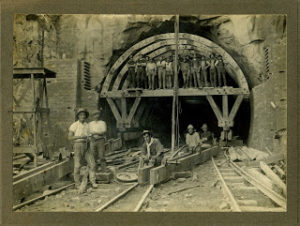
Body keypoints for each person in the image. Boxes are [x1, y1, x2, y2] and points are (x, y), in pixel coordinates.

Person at [68, 108, 98, 190]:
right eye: (81, 115)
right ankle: (77, 184)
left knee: (92, 164)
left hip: (86, 145)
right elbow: (70, 137)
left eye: (84, 115)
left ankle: (93, 181)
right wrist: (80, 136)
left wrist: (91, 138)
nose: (83, 116)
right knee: (77, 165)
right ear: (78, 116)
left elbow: (89, 135)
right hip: (78, 145)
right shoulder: (74, 125)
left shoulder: (87, 125)